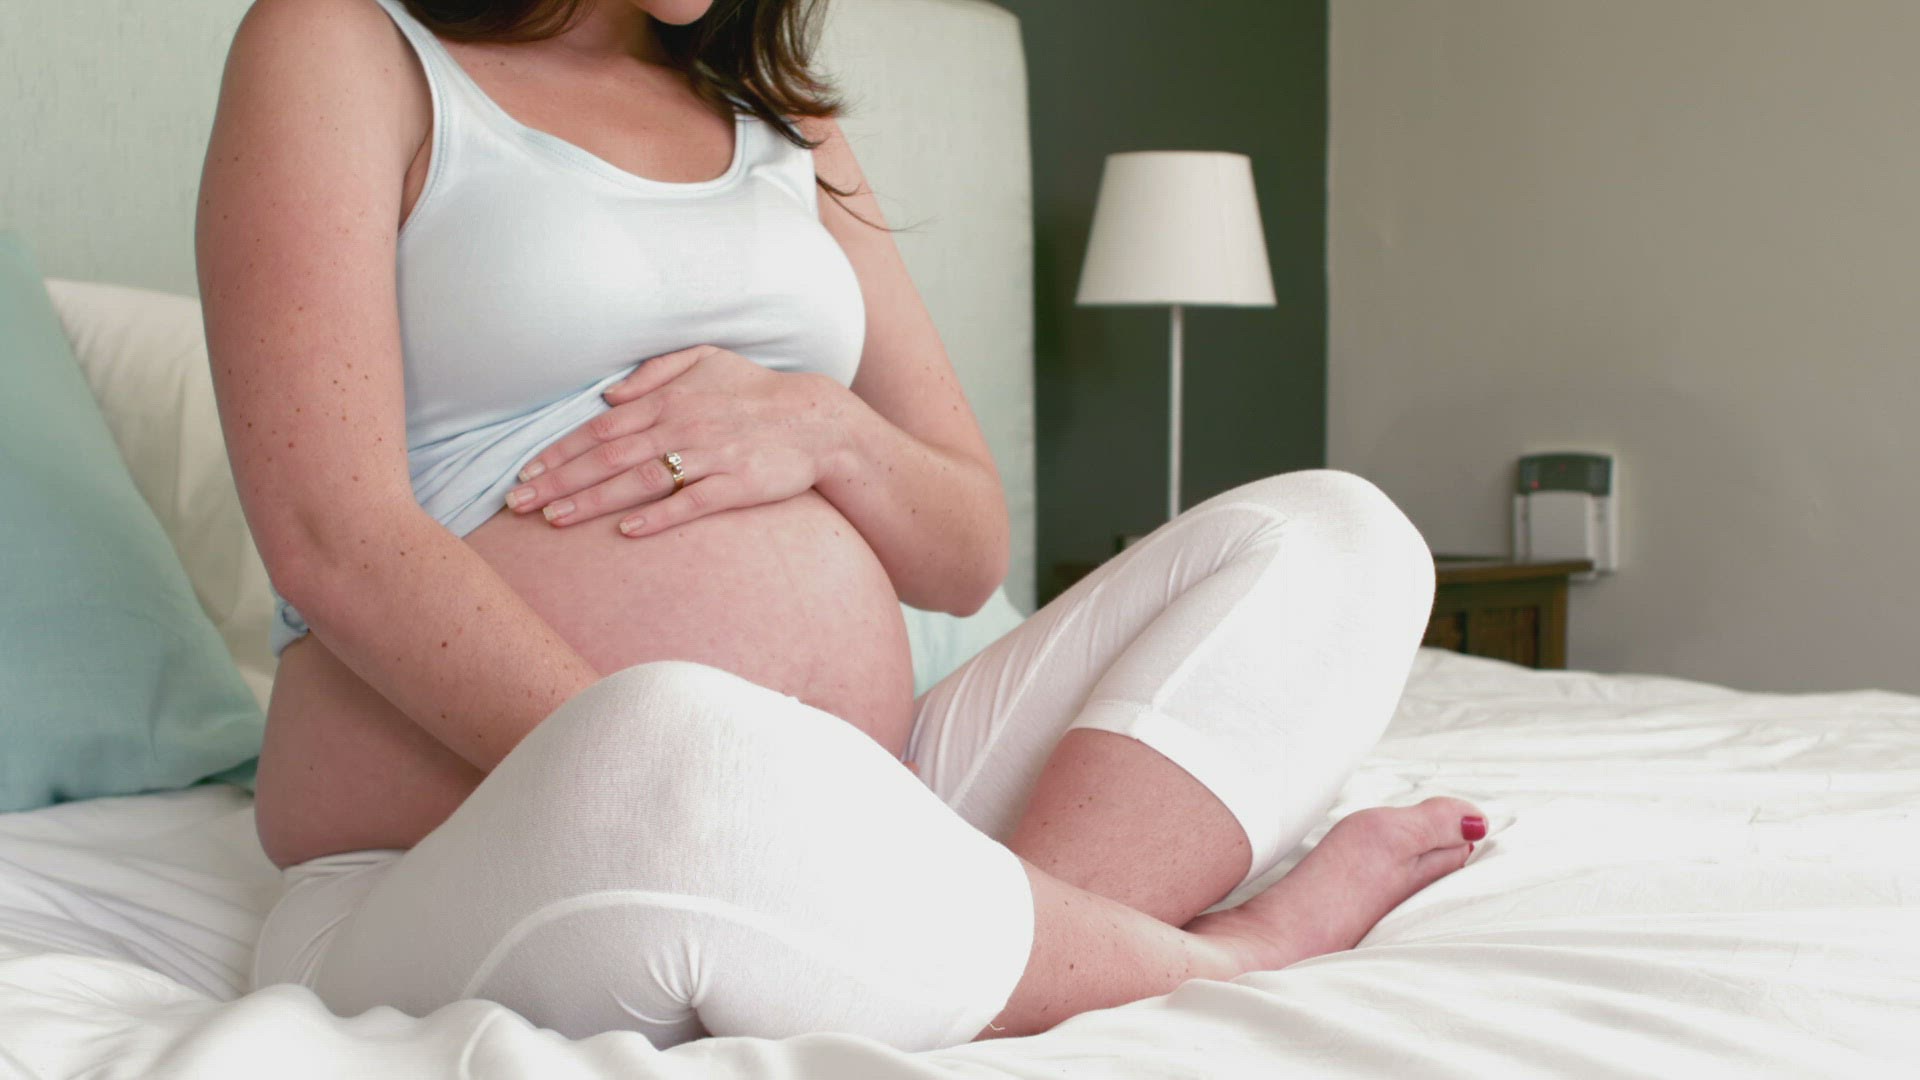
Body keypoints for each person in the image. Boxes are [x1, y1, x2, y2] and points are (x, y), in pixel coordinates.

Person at [196, 0, 1489, 1051]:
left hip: (880, 799)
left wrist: (827, 427)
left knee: (1343, 538)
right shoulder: (342, 44)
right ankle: (1209, 959)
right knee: (681, 739)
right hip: (479, 855)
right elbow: (331, 535)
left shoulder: (786, 119)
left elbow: (965, 548)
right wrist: (718, 775)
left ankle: (974, 951)